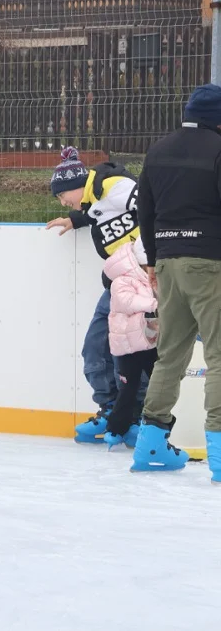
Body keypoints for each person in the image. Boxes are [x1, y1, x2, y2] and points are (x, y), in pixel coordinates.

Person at [130, 83, 221, 478]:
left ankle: (150, 445)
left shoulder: (158, 151)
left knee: (170, 355)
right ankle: (219, 455)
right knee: (219, 356)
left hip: (167, 262)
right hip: (211, 263)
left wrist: (153, 260)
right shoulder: (218, 149)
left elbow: (145, 212)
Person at [45, 146, 147, 444]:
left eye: (63, 195)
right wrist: (74, 219)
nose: (63, 201)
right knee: (95, 345)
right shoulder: (92, 201)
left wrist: (143, 259)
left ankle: (136, 415)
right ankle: (110, 407)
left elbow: (154, 208)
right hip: (118, 283)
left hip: (142, 280)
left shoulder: (114, 186)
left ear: (77, 184)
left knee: (130, 349)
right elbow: (96, 212)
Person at [103, 239, 158, 450]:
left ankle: (156, 427)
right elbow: (125, 302)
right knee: (128, 389)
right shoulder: (122, 280)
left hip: (150, 342)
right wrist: (156, 304)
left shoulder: (153, 277)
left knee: (159, 384)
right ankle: (116, 429)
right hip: (128, 347)